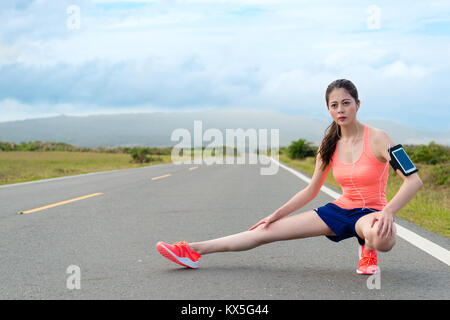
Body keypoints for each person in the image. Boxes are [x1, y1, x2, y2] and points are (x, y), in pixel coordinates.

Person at [156, 79, 423, 274]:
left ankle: (367, 250)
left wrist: (387, 212)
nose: (340, 109)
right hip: (339, 210)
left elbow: (414, 180)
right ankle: (192, 250)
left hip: (371, 213)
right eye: (334, 105)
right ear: (328, 110)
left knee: (379, 236)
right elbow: (310, 190)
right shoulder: (328, 145)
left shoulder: (380, 138)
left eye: (346, 103)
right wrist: (275, 216)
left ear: (357, 104)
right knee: (263, 232)